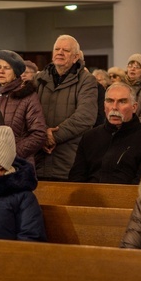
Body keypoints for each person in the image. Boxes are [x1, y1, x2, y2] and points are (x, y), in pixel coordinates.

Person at [69, 82, 141, 184]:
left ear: (134, 107)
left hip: (128, 197)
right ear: (104, 106)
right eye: (110, 101)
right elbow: (76, 178)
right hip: (89, 197)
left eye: (122, 102)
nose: (114, 107)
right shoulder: (90, 137)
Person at [35, 35, 98, 181]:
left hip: (69, 159)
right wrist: (42, 134)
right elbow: (28, 112)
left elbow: (85, 116)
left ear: (76, 57)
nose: (60, 52)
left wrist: (53, 136)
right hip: (38, 158)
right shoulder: (38, 79)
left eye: (66, 50)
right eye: (57, 49)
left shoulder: (86, 80)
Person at [0, 50, 47, 166]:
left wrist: (11, 154)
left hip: (19, 163)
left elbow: (39, 134)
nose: (1, 71)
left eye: (7, 68)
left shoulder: (28, 96)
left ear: (16, 73)